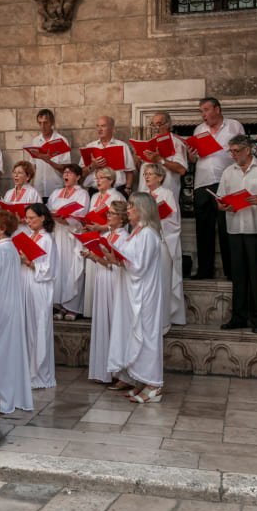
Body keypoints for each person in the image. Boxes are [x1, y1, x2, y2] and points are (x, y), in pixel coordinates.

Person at [108, 193, 168, 404]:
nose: (128, 210)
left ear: (143, 209)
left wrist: (117, 258)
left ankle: (154, 384)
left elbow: (139, 266)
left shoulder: (148, 234)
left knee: (147, 334)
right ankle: (142, 380)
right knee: (137, 333)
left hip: (145, 293)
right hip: (134, 290)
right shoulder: (137, 232)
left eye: (132, 206)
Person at [218, 135, 257, 334]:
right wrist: (223, 206)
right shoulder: (228, 172)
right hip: (235, 228)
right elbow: (219, 201)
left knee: (256, 275)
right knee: (238, 275)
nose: (233, 155)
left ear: (248, 150)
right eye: (231, 151)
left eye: (236, 151)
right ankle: (238, 317)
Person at [0, 212, 33, 414]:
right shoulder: (11, 248)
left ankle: (2, 397)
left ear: (2, 228)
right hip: (10, 303)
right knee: (6, 352)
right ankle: (8, 394)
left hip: (0, 305)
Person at [189, 98, 245, 280]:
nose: (203, 114)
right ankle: (205, 271)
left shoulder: (234, 126)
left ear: (217, 109)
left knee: (226, 227)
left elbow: (243, 151)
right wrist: (192, 157)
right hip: (202, 183)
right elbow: (194, 160)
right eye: (201, 111)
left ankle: (231, 271)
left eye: (206, 110)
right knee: (203, 229)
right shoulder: (199, 130)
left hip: (226, 182)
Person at [85, 202, 127, 386]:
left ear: (122, 217)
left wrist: (96, 257)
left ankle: (118, 372)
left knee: (113, 321)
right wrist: (91, 255)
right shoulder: (104, 235)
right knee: (103, 320)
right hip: (102, 278)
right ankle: (104, 370)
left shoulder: (123, 237)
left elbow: (115, 262)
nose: (108, 216)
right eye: (108, 213)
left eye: (112, 214)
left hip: (114, 280)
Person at [142, 163, 186, 333]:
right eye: (145, 174)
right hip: (145, 243)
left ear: (160, 177)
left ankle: (163, 320)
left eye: (150, 174)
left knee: (162, 280)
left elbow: (174, 220)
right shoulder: (142, 195)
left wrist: (156, 220)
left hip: (162, 242)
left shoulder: (167, 194)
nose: (146, 176)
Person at [19, 203, 56, 389]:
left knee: (38, 327)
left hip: (39, 285)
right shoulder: (29, 236)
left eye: (32, 218)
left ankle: (40, 374)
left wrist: (28, 262)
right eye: (27, 218)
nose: (29, 221)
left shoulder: (47, 239)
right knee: (27, 327)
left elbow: (49, 268)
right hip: (27, 282)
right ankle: (27, 370)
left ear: (43, 218)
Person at [48, 163, 91, 318]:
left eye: (70, 173)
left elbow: (82, 213)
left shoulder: (82, 194)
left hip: (72, 235)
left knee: (72, 268)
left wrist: (67, 220)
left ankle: (72, 306)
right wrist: (54, 217)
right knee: (58, 268)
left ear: (78, 176)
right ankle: (59, 305)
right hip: (57, 233)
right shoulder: (56, 192)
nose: (66, 175)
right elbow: (49, 209)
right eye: (65, 172)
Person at [139, 111, 188, 202]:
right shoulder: (148, 144)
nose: (156, 128)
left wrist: (160, 159)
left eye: (159, 124)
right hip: (145, 195)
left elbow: (182, 170)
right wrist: (137, 160)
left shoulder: (177, 143)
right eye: (153, 125)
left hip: (166, 195)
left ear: (168, 125)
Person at [24, 108, 73, 199]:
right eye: (40, 123)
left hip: (56, 189)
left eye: (46, 123)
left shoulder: (61, 141)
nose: (43, 126)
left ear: (52, 123)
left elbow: (66, 169)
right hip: (39, 190)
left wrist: (49, 161)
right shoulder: (35, 141)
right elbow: (33, 167)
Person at [81, 115, 136, 194]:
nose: (99, 129)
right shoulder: (89, 147)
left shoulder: (122, 146)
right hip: (95, 190)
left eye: (103, 126)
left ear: (112, 129)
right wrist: (92, 166)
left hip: (117, 190)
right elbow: (81, 173)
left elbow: (129, 171)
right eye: (98, 126)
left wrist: (128, 188)